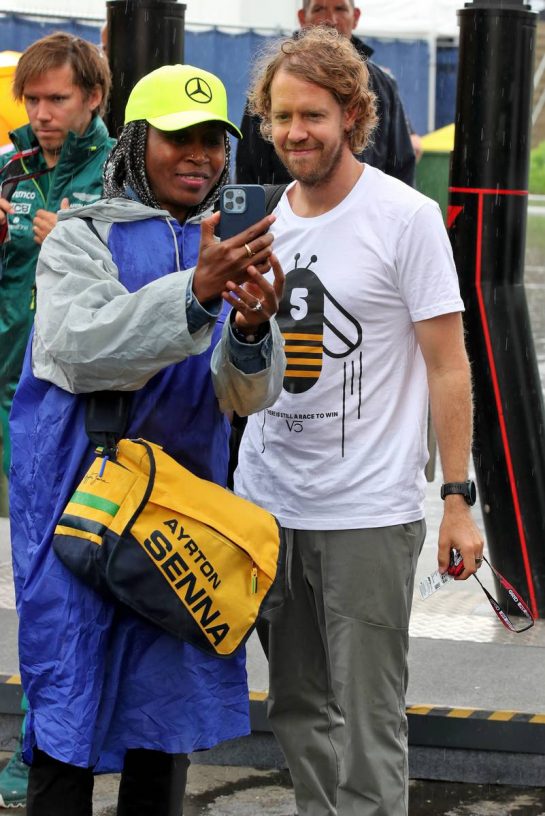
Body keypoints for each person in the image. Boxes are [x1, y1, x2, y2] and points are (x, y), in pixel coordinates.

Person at [8, 63, 285, 816]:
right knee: (69, 703)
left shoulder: (224, 246)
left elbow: (242, 394)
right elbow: (79, 350)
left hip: (181, 515)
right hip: (82, 511)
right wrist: (195, 293)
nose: (200, 155)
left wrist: (254, 328)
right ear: (136, 142)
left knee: (164, 724)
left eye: (213, 141)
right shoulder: (80, 236)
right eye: (178, 138)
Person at [234, 27, 483, 816]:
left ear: (351, 113)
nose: (293, 133)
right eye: (279, 117)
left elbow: (449, 363)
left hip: (366, 512)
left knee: (370, 721)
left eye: (310, 115)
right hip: (269, 504)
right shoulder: (263, 220)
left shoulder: (403, 218)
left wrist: (455, 496)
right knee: (295, 710)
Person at [0, 32, 114, 810]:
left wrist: (70, 237)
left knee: (55, 586)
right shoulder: (11, 170)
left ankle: (39, 745)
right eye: (32, 101)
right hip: (10, 392)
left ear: (94, 98)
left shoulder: (118, 174)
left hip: (70, 406)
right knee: (30, 580)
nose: (42, 115)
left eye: (57, 100)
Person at [236, 0, 416, 186]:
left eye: (340, 9)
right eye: (319, 9)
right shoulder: (274, 81)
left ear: (355, 17)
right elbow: (249, 169)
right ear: (302, 17)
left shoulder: (383, 85)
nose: (330, 20)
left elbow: (401, 166)